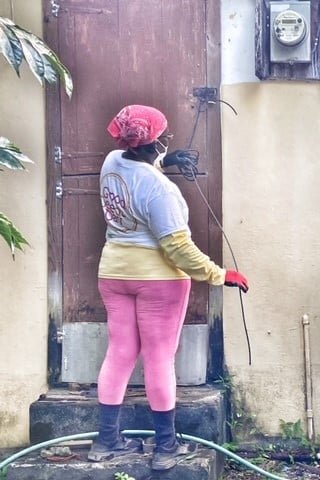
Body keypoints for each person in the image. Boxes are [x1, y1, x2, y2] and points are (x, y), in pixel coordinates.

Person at [88, 105, 249, 470]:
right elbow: (177, 248)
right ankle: (166, 448)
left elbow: (136, 175)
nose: (167, 141)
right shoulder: (162, 191)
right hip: (157, 280)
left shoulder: (111, 162)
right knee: (159, 357)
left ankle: (106, 441)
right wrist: (220, 275)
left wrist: (166, 160)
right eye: (164, 138)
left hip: (113, 273)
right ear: (154, 142)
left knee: (119, 353)